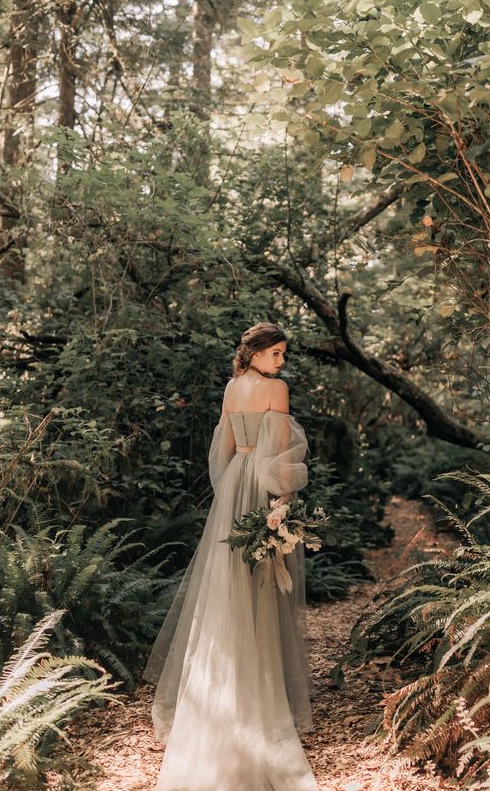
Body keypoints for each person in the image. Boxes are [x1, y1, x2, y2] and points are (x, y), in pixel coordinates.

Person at [142, 322, 319, 790]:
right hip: (260, 484)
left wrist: (228, 498)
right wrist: (280, 503)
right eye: (276, 353)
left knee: (226, 586)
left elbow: (220, 451)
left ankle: (222, 693)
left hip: (235, 484)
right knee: (258, 579)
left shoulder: (232, 387)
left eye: (283, 355)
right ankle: (253, 697)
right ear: (257, 352)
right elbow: (280, 451)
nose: (281, 362)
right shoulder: (275, 389)